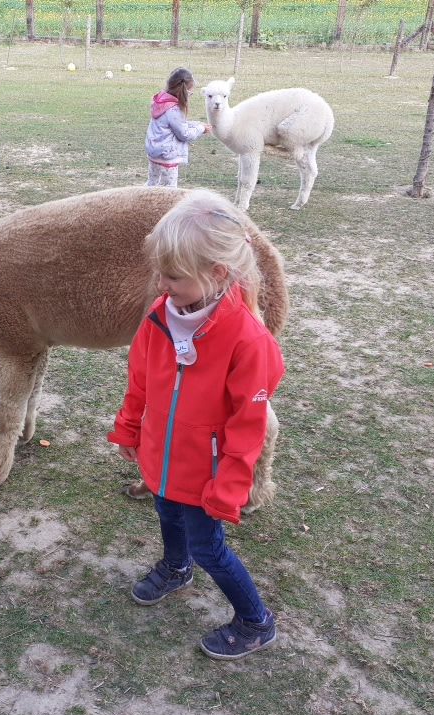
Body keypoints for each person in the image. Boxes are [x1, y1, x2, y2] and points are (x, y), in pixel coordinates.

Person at [108, 189, 285, 661]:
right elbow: (140, 378)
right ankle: (175, 566)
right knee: (166, 513)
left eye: (173, 276)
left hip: (208, 472)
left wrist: (231, 484)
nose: (161, 284)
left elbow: (249, 424)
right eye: (159, 272)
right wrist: (129, 427)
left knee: (210, 549)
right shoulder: (159, 318)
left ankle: (256, 621)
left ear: (218, 273)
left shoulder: (248, 341)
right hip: (163, 458)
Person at [145, 67, 211, 188]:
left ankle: (145, 200)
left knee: (152, 185)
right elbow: (184, 134)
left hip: (154, 154)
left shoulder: (161, 102)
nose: (190, 96)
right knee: (169, 189)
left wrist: (197, 124)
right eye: (190, 93)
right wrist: (201, 129)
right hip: (167, 157)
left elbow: (175, 124)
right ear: (183, 91)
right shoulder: (174, 110)